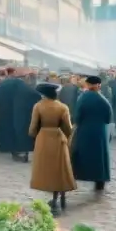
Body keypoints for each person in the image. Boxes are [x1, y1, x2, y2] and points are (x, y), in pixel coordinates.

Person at [28, 82, 76, 214]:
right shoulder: (62, 107)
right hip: (58, 137)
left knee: (46, 170)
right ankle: (59, 197)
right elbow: (68, 128)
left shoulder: (38, 106)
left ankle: (52, 200)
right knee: (59, 169)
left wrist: (36, 136)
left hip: (43, 138)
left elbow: (32, 128)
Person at [72, 76, 113, 192]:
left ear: (88, 84)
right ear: (98, 85)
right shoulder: (103, 99)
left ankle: (78, 174)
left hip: (85, 130)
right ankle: (99, 181)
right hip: (100, 131)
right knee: (99, 157)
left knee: (82, 154)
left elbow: (78, 115)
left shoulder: (83, 97)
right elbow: (108, 117)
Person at [10, 71, 41, 163]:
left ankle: (21, 154)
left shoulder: (17, 90)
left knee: (20, 136)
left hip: (19, 117)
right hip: (29, 118)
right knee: (27, 137)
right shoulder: (33, 92)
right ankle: (25, 155)